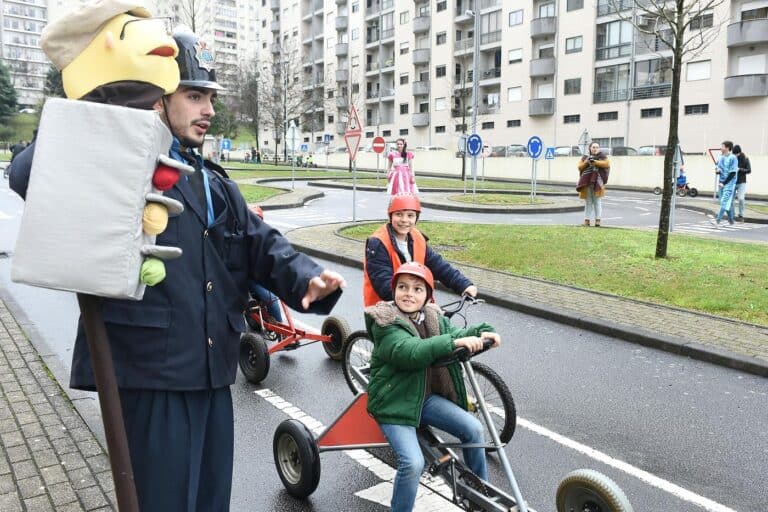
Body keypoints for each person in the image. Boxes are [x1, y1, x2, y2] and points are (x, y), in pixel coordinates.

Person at [12, 23, 345, 511]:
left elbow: (259, 243)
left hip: (212, 375)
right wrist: (114, 95)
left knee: (211, 503)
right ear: (156, 99)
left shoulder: (214, 181)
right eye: (193, 96)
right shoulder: (122, 162)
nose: (209, 110)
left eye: (210, 97)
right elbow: (28, 173)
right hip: (153, 376)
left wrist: (306, 279)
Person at [365, 262, 501, 512]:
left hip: (424, 398)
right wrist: (453, 342)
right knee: (413, 463)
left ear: (428, 295)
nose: (409, 294)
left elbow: (456, 333)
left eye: (418, 289)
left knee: (473, 429)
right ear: (394, 290)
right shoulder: (385, 322)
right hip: (394, 402)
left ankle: (479, 498)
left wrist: (483, 332)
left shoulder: (431, 316)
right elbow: (411, 352)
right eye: (403, 287)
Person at [363, 193, 477, 307]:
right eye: (398, 214)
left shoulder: (417, 237)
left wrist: (464, 285)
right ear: (390, 216)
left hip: (413, 306)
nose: (404, 220)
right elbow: (382, 282)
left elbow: (438, 265)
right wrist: (417, 298)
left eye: (410, 215)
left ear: (416, 218)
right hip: (384, 309)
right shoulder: (378, 243)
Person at [576, 142, 610, 227]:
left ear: (599, 148)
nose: (595, 149)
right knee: (588, 202)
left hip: (598, 182)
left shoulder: (603, 156)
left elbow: (606, 164)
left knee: (597, 201)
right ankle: (586, 220)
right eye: (593, 147)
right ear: (590, 148)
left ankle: (598, 220)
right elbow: (579, 167)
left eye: (597, 147)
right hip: (586, 182)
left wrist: (595, 162)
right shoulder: (585, 157)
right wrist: (587, 162)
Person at [712, 140, 738, 227]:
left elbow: (733, 173)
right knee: (724, 203)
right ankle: (731, 221)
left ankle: (717, 221)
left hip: (729, 184)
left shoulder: (733, 158)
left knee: (724, 202)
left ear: (727, 148)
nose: (721, 148)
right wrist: (717, 170)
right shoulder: (721, 157)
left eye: (722, 146)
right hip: (721, 183)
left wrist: (724, 183)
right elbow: (717, 168)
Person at [730, 144, 751, 222]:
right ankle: (732, 214)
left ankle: (741, 214)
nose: (735, 155)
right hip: (732, 182)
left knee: (741, 198)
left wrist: (740, 169)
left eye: (737, 154)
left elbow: (749, 170)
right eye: (734, 154)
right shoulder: (731, 159)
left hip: (741, 182)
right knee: (731, 200)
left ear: (740, 152)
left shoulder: (745, 159)